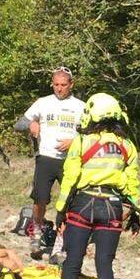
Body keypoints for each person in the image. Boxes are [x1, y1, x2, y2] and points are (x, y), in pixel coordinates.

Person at [53, 93, 140, 279]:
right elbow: (131, 184)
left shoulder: (80, 142)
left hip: (82, 204)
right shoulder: (127, 146)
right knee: (105, 265)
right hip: (112, 207)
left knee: (72, 262)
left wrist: (60, 211)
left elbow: (69, 179)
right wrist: (134, 212)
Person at [19, 67, 86, 259]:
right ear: (51, 84)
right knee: (40, 199)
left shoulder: (80, 106)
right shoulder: (42, 103)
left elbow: (92, 133)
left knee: (66, 203)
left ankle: (60, 243)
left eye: (63, 85)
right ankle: (36, 233)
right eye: (56, 85)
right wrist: (31, 124)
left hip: (70, 161)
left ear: (71, 85)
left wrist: (75, 142)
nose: (59, 89)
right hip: (46, 158)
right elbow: (19, 123)